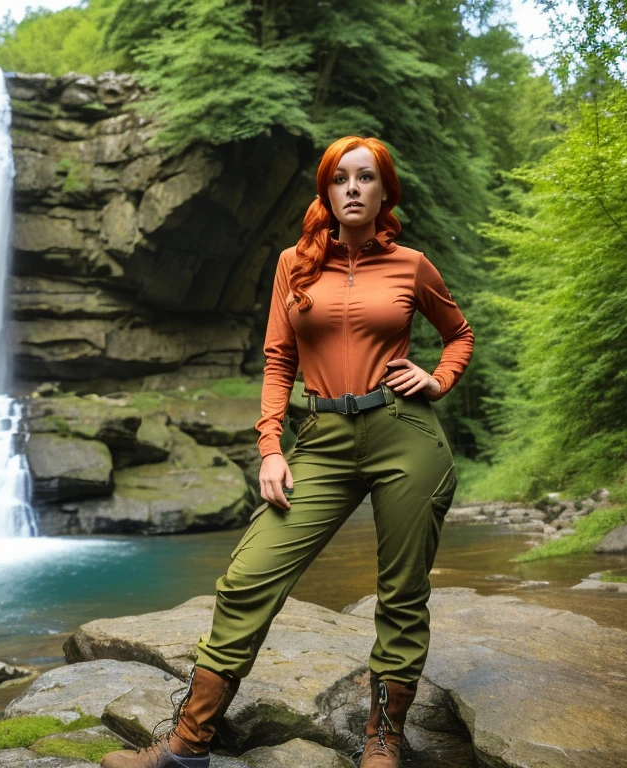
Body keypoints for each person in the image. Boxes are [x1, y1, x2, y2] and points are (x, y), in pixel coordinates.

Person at [101, 136, 474, 768]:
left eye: (365, 178)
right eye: (340, 179)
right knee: (247, 578)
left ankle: (382, 740)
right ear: (326, 193)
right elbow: (279, 361)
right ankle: (187, 745)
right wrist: (271, 448)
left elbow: (458, 333)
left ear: (385, 192)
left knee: (402, 591)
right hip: (320, 439)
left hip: (405, 434)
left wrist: (437, 378)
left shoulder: (412, 266)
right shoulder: (293, 265)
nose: (352, 188)